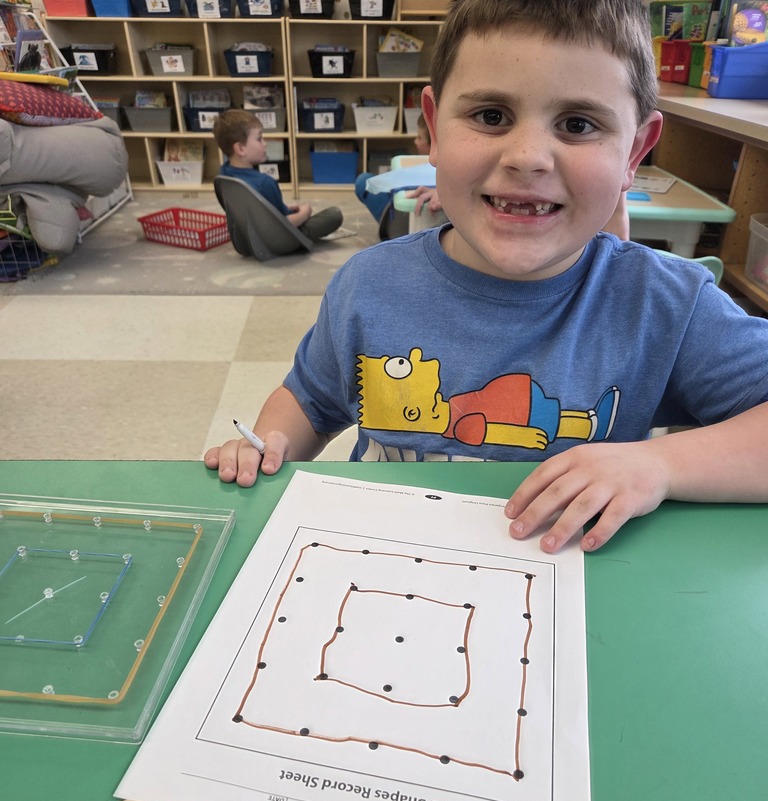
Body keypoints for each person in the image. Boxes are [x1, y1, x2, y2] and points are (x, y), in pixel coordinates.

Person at [205, 0, 768, 555]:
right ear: (432, 127)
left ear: (635, 152)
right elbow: (309, 401)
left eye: (577, 124)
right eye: (491, 116)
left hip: (567, 601)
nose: (528, 157)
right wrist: (269, 446)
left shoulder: (666, 304)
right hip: (379, 564)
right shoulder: (368, 284)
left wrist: (659, 465)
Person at [213, 109, 343, 243]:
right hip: (275, 241)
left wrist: (284, 207)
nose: (265, 143)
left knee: (291, 209)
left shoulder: (223, 174)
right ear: (240, 148)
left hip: (245, 240)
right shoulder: (265, 182)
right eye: (259, 139)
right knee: (333, 215)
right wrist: (305, 212)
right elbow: (284, 223)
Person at [354, 112, 442, 239]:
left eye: (419, 137)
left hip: (406, 224)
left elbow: (375, 184)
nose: (415, 142)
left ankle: (393, 231)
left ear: (434, 143)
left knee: (363, 181)